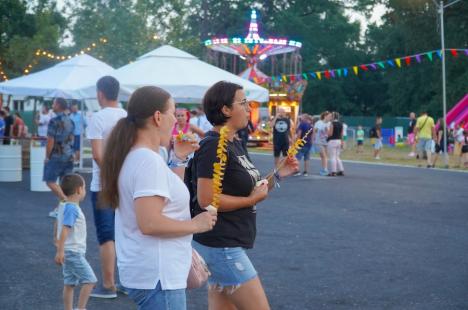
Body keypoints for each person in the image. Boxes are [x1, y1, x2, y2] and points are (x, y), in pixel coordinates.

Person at [99, 86, 217, 310]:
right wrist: (196, 224)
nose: (176, 119)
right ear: (157, 117)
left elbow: (166, 200)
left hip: (152, 272)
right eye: (173, 112)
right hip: (158, 275)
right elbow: (150, 222)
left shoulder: (141, 156)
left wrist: (179, 158)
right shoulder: (147, 161)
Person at [189, 81, 298, 310]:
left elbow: (253, 187)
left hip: (223, 245)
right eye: (243, 102)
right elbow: (207, 200)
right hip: (221, 246)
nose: (249, 108)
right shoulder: (213, 145)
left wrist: (278, 174)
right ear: (226, 110)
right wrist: (251, 201)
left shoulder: (233, 143)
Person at [86, 76, 127, 298]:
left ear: (100, 93)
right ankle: (127, 281)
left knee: (106, 235)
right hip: (127, 184)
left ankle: (109, 285)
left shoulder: (97, 118)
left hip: (103, 185)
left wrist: (111, 176)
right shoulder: (127, 117)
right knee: (125, 233)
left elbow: (97, 155)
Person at [54, 174, 97, 310]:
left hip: (69, 251)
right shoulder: (72, 208)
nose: (84, 191)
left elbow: (57, 223)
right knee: (90, 280)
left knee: (69, 284)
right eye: (84, 188)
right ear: (79, 190)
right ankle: (81, 308)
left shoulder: (63, 205)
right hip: (73, 252)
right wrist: (60, 250)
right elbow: (65, 229)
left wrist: (56, 241)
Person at [43, 98, 75, 218]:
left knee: (49, 181)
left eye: (53, 103)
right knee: (64, 185)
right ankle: (60, 210)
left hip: (56, 156)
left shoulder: (54, 121)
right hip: (68, 155)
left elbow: (50, 141)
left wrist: (47, 156)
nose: (52, 105)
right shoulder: (71, 121)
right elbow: (72, 139)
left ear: (58, 105)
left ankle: (65, 200)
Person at [312, 111, 331, 176]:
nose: (330, 118)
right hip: (319, 141)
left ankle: (324, 169)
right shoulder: (319, 123)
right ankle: (325, 169)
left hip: (326, 141)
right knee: (323, 155)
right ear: (325, 116)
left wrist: (327, 131)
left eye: (331, 116)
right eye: (329, 116)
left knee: (324, 156)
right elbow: (315, 131)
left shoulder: (329, 123)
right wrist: (313, 139)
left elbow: (329, 133)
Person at [69, 101, 87, 165]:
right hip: (72, 135)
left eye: (76, 108)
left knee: (77, 148)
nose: (74, 109)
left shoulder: (81, 115)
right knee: (72, 148)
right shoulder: (70, 115)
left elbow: (85, 124)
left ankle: (77, 160)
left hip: (79, 134)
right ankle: (75, 160)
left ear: (77, 108)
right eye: (73, 108)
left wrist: (82, 131)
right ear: (71, 108)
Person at [327, 112, 344, 176]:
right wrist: (342, 142)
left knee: (332, 157)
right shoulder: (341, 124)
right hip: (339, 140)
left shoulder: (332, 124)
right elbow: (341, 134)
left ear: (333, 117)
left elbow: (330, 134)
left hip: (332, 141)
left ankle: (333, 171)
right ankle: (341, 170)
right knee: (337, 156)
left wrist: (327, 133)